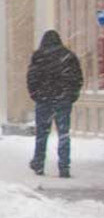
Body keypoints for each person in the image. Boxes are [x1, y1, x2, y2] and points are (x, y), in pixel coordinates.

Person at [26, 30, 83, 178]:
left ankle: (39, 163)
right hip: (62, 100)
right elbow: (77, 78)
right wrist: (71, 96)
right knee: (63, 134)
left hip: (44, 100)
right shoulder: (68, 56)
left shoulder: (39, 56)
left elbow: (32, 78)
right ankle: (64, 166)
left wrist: (36, 95)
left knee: (42, 134)